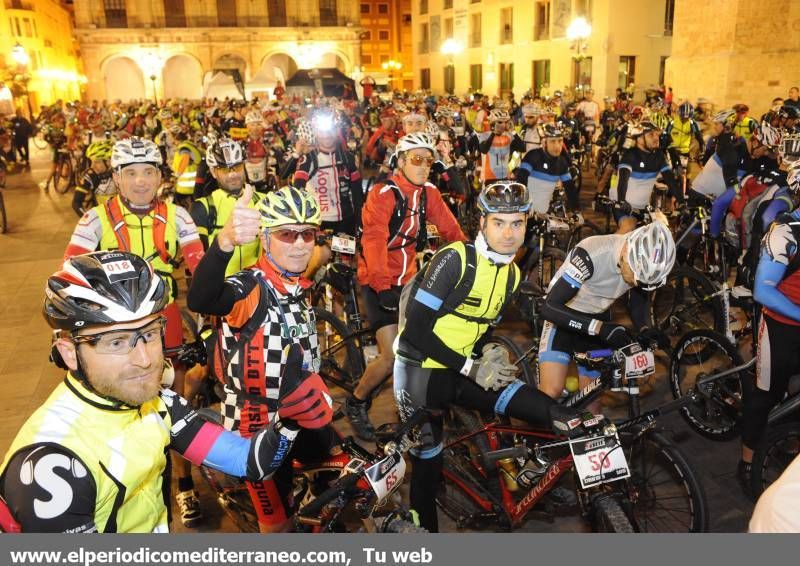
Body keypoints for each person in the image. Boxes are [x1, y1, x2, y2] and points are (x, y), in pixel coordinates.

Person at [0, 252, 331, 533]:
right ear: (69, 352)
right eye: (117, 342)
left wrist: (288, 420)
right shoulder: (51, 463)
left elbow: (249, 463)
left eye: (149, 334)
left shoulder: (159, 404)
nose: (144, 360)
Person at [393, 181, 568, 532]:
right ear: (482, 223)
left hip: (461, 370)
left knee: (551, 412)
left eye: (517, 223)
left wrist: (484, 351)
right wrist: (471, 366)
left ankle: (532, 477)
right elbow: (415, 332)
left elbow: (483, 327)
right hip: (418, 372)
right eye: (499, 222)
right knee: (428, 459)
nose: (508, 233)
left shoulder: (512, 275)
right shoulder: (455, 259)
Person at [62, 136, 207, 526]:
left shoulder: (180, 216)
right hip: (113, 331)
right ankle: (116, 484)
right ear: (116, 176)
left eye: (148, 172)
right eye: (131, 173)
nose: (140, 181)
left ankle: (184, 484)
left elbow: (201, 268)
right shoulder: (94, 218)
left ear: (160, 176)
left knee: (173, 404)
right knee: (117, 407)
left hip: (165, 320)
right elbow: (69, 273)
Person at [187, 185, 339, 533]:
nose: (300, 244)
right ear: (266, 239)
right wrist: (225, 242)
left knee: (339, 481)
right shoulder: (251, 285)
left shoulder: (297, 284)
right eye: (287, 234)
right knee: (278, 526)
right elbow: (202, 298)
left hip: (302, 412)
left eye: (308, 234)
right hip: (256, 425)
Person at [344, 133, 467, 441]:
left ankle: (422, 404)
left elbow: (452, 229)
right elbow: (372, 239)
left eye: (429, 161)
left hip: (410, 280)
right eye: (416, 160)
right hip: (377, 279)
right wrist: (382, 285)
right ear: (400, 161)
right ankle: (356, 401)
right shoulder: (384, 193)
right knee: (391, 356)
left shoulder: (429, 193)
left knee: (431, 342)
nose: (424, 167)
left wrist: (472, 259)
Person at [537, 221, 676, 401]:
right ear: (626, 252)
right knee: (550, 394)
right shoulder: (592, 253)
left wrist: (644, 328)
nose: (635, 282)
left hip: (597, 319)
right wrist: (600, 328)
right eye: (634, 275)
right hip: (563, 315)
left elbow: (637, 298)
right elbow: (549, 308)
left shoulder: (638, 263)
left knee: (591, 405)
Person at [739, 206, 800, 496]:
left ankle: (788, 444)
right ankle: (747, 462)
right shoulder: (786, 232)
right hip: (780, 328)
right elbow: (763, 291)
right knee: (765, 395)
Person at [191, 137, 261, 276]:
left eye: (238, 167)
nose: (233, 174)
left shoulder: (264, 201)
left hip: (257, 287)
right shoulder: (202, 207)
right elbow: (199, 263)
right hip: (220, 288)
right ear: (213, 172)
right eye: (224, 169)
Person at [609, 121, 680, 233]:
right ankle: (612, 250)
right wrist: (622, 201)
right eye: (651, 135)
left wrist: (681, 200)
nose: (656, 138)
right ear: (640, 139)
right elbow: (623, 181)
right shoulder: (630, 155)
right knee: (628, 227)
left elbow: (670, 180)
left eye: (657, 135)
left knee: (664, 231)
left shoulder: (659, 156)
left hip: (644, 207)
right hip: (623, 205)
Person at [71, 140, 115, 217]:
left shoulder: (119, 172)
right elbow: (76, 203)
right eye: (91, 162)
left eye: (97, 162)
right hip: (100, 217)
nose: (92, 166)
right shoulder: (90, 175)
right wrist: (89, 220)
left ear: (108, 162)